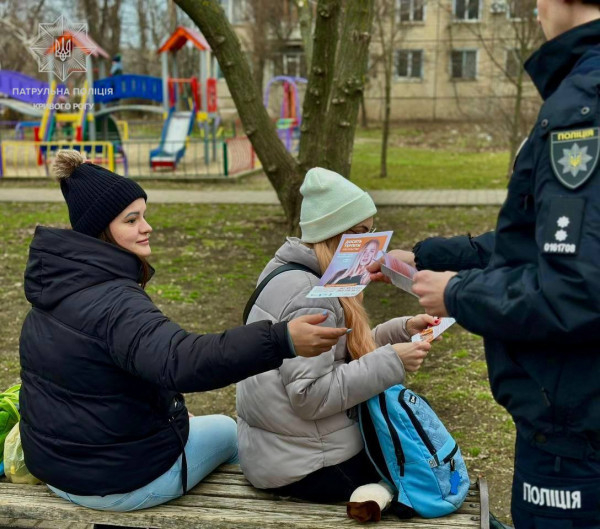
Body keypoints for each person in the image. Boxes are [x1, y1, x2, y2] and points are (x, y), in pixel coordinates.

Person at [370, 4, 600, 528]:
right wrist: (428, 257)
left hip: (574, 428)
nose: (536, 8)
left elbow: (575, 288)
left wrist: (456, 295)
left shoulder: (582, 106)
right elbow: (549, 246)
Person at [18, 150, 347, 512]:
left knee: (195, 424)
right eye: (131, 220)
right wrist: (280, 338)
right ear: (101, 231)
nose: (147, 227)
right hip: (120, 484)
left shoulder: (54, 291)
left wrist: (168, 413)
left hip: (58, 471)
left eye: (144, 215)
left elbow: (105, 379)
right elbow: (181, 360)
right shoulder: (116, 304)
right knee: (230, 431)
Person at [236, 167, 435, 519]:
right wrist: (393, 361)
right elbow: (310, 396)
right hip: (307, 467)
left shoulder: (287, 270)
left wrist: (400, 331)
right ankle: (376, 494)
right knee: (417, 466)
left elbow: (331, 353)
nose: (371, 248)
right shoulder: (313, 296)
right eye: (360, 233)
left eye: (372, 232)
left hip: (277, 454)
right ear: (331, 234)